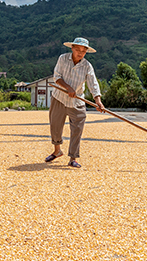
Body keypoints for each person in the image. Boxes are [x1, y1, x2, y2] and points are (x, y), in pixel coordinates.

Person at [45, 37, 105, 168]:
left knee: (77, 130)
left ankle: (73, 158)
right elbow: (57, 77)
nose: (80, 53)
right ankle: (57, 151)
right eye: (77, 49)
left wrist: (98, 101)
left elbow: (93, 84)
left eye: (83, 51)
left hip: (77, 101)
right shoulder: (62, 58)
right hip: (59, 98)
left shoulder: (87, 66)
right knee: (55, 126)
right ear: (72, 48)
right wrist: (68, 87)